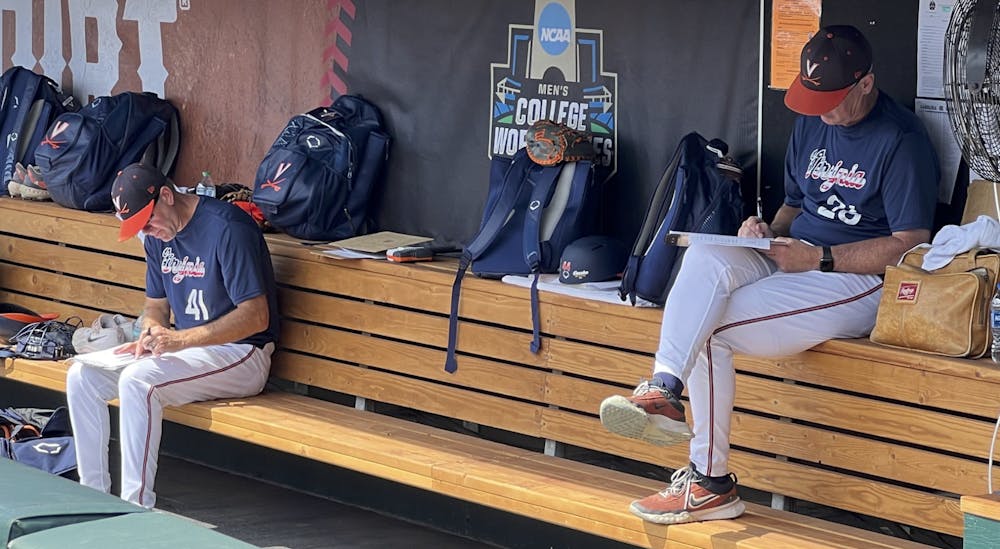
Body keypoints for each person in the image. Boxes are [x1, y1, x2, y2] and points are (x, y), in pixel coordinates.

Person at [599, 25, 940, 524]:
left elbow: (911, 246)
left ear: (866, 82)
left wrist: (820, 259)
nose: (820, 107)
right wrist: (763, 230)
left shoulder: (900, 139)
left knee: (708, 330)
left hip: (856, 280)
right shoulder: (813, 120)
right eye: (813, 94)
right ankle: (664, 388)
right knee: (705, 254)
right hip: (797, 254)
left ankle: (709, 482)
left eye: (832, 96)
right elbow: (797, 204)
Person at [66, 163, 280, 508]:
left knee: (139, 381)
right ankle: (92, 498)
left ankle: (134, 508)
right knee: (82, 375)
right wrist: (152, 328)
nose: (147, 231)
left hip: (242, 354)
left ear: (166, 196)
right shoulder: (157, 239)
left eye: (148, 221)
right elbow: (156, 305)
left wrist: (179, 340)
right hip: (191, 350)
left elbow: (256, 317)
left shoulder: (227, 227)